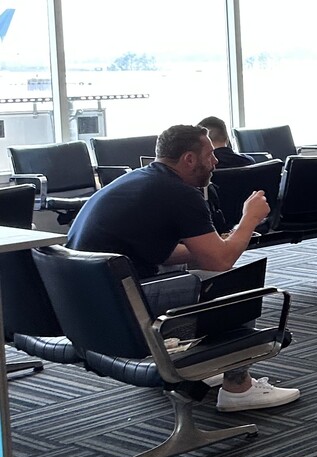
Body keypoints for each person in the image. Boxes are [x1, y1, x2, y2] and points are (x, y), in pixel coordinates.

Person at [66, 124, 299, 411]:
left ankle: (204, 361)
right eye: (210, 155)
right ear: (189, 159)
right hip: (116, 303)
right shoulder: (180, 193)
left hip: (84, 299)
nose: (215, 161)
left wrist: (219, 243)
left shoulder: (140, 181)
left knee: (196, 276)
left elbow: (168, 254)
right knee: (235, 286)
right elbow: (220, 262)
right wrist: (248, 220)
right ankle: (238, 388)